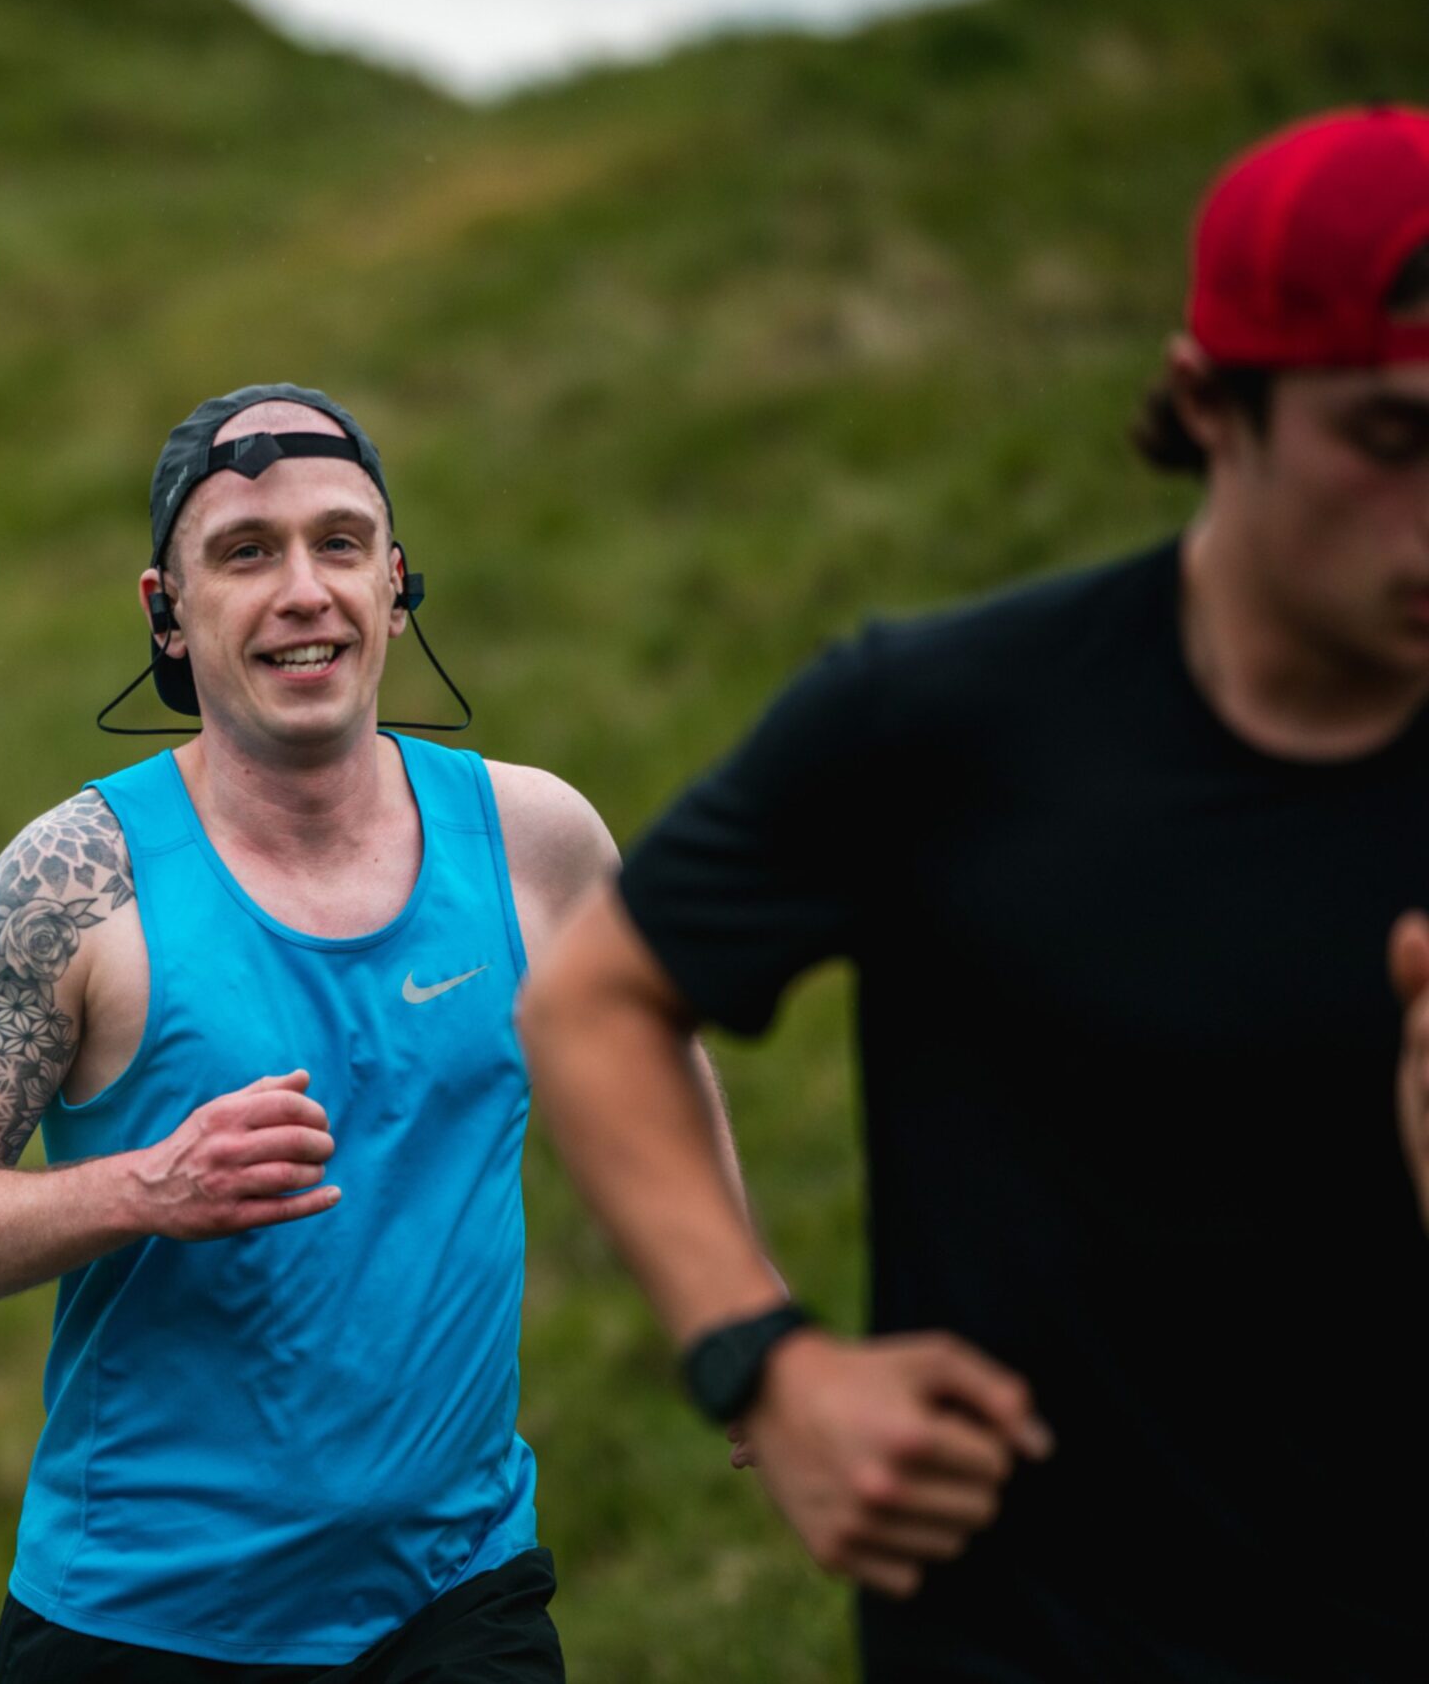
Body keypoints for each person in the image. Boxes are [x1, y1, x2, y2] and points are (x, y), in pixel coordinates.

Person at [516, 105, 1429, 1681]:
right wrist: (765, 1364)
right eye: (1393, 441)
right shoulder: (946, 721)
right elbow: (594, 1000)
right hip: (1023, 1643)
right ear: (1215, 403)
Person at [0, 383, 736, 1681]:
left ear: (395, 585)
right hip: (143, 1627)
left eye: (340, 543)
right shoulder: (73, 888)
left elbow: (658, 1066)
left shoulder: (535, 838)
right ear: (167, 612)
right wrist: (141, 1187)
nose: (304, 589)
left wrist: (742, 1321)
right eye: (246, 553)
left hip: (459, 1599)